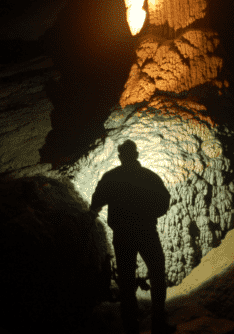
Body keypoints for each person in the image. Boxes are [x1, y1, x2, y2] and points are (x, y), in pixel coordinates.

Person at [88, 140, 176, 334]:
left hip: (123, 234)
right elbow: (164, 200)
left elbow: (96, 203)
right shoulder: (149, 176)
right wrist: (150, 213)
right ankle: (158, 323)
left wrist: (91, 216)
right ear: (136, 155)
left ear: (120, 157)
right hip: (146, 231)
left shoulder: (111, 177)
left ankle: (131, 327)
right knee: (157, 273)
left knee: (126, 281)